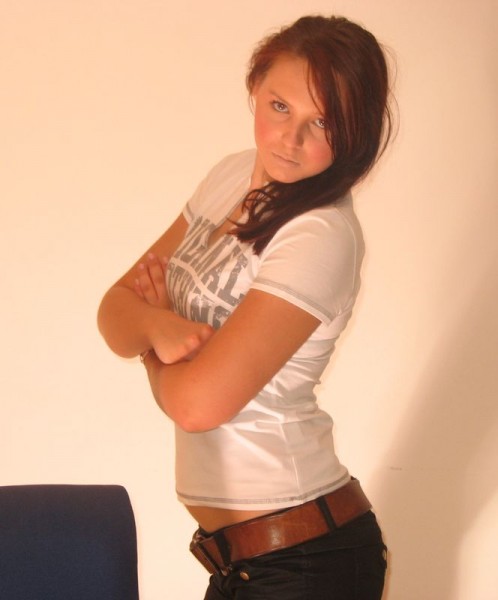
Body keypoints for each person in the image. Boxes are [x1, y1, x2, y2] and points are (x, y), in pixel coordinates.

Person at [98, 14, 393, 600]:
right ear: (255, 87)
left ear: (354, 133)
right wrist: (157, 323)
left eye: (322, 123)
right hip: (248, 562)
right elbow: (114, 309)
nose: (291, 138)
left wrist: (155, 352)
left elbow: (198, 406)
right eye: (280, 106)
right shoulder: (230, 176)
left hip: (305, 562)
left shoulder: (319, 234)